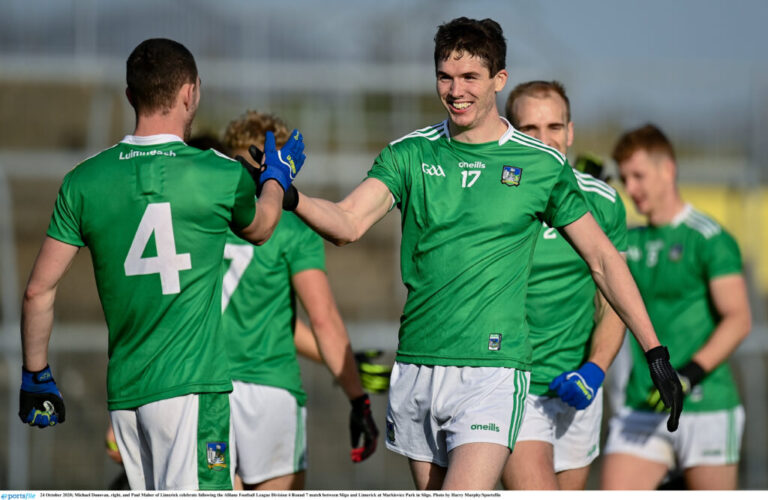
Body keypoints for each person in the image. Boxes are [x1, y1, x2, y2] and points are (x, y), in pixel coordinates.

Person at [251, 17, 681, 490]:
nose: (455, 90)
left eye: (470, 77)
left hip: (494, 374)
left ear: (499, 79)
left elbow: (603, 260)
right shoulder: (410, 153)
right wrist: (290, 194)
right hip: (417, 367)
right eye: (445, 77)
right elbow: (349, 223)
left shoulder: (540, 165)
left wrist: (654, 351)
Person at [18, 38, 306, 490]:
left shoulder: (83, 180)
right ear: (191, 92)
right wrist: (276, 177)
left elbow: (38, 290)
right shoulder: (218, 173)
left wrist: (36, 375)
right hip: (192, 389)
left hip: (126, 397)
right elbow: (263, 226)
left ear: (130, 96)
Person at [220, 111, 378, 490]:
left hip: (204, 386)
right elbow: (322, 319)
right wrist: (358, 398)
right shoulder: (289, 227)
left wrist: (343, 361)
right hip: (270, 391)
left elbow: (278, 322)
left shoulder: (203, 220)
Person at [602, 124, 751, 490]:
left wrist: (687, 375)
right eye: (624, 178)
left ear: (668, 169)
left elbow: (739, 319)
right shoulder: (627, 242)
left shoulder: (708, 238)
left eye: (638, 175)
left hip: (706, 406)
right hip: (642, 405)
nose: (630, 188)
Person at [500, 81, 627, 490]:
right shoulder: (494, 198)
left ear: (570, 132)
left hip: (576, 390)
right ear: (509, 130)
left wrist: (595, 369)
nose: (544, 140)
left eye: (554, 127)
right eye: (530, 129)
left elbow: (614, 299)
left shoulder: (603, 201)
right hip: (511, 388)